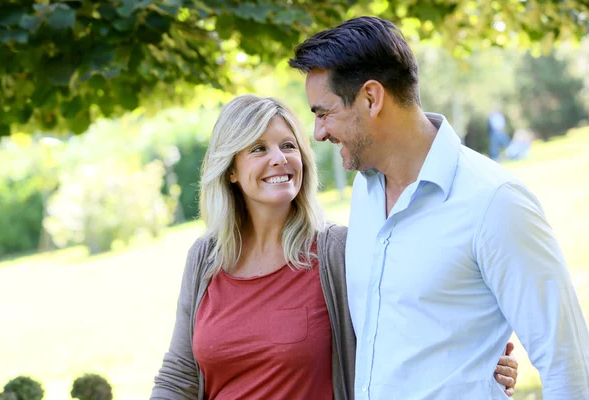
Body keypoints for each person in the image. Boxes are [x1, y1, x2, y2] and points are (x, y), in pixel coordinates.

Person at [289, 16, 589, 399]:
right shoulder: (364, 195)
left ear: (370, 98)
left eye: (323, 112)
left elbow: (568, 363)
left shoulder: (495, 202)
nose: (318, 133)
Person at [150, 95, 519, 399]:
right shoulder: (206, 257)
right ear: (230, 170)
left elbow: (405, 332)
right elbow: (179, 374)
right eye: (258, 149)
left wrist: (479, 360)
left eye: (288, 145)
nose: (278, 158)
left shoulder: (335, 252)